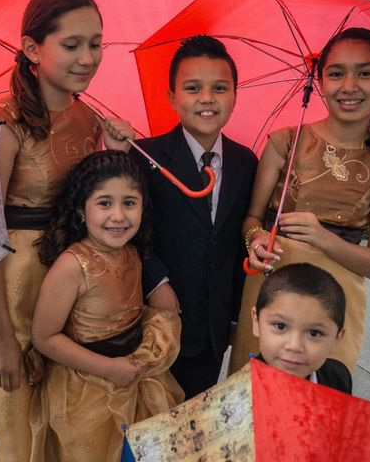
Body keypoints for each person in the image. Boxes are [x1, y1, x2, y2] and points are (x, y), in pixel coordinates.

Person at [0, 0, 128, 460]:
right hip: (14, 290)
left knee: (64, 419)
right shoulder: (3, 122)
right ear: (33, 48)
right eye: (72, 44)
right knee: (12, 423)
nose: (88, 57)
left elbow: (96, 204)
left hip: (73, 285)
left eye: (96, 43)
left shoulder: (92, 119)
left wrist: (115, 159)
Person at [230, 27, 370, 375]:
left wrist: (321, 237)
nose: (349, 85)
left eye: (366, 73)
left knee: (317, 404)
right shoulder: (285, 141)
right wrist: (254, 241)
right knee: (250, 401)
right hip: (271, 288)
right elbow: (252, 218)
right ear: (320, 81)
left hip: (335, 302)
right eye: (336, 73)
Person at [106, 35, 258, 398]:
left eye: (220, 88)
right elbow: (128, 232)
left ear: (235, 96)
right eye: (193, 88)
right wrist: (157, 282)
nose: (207, 98)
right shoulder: (146, 157)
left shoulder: (246, 162)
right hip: (154, 319)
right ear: (173, 98)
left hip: (212, 327)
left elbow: (237, 239)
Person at [30, 150, 184, 461]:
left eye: (129, 203)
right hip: (87, 391)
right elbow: (44, 337)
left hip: (134, 378)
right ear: (81, 211)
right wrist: (108, 368)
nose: (118, 216)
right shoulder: (72, 265)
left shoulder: (131, 252)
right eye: (104, 203)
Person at [251, 263, 352, 394]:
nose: (294, 346)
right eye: (280, 326)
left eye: (314, 333)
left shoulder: (338, 379)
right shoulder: (231, 400)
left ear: (336, 339)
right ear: (256, 321)